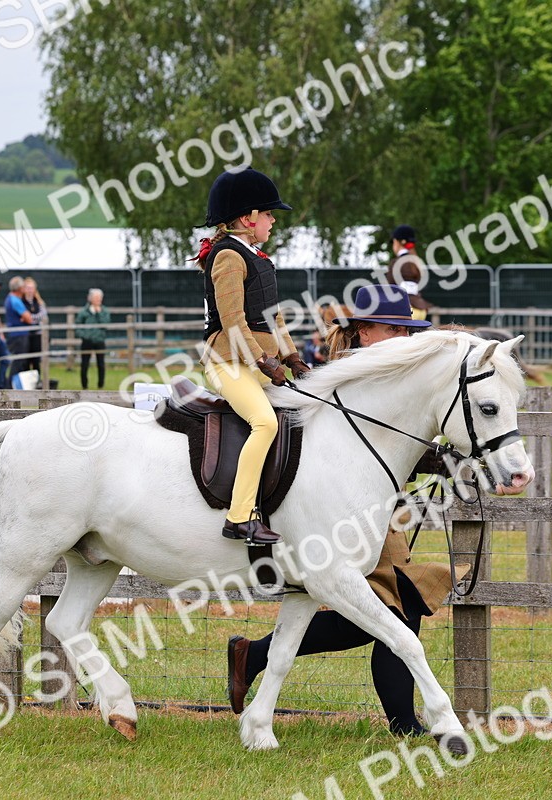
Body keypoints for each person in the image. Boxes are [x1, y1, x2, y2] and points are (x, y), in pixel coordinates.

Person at [227, 284, 457, 737]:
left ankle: (255, 657)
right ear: (366, 333)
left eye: (407, 330)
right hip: (343, 516)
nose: (404, 339)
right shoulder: (348, 379)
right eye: (395, 329)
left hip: (373, 511)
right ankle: (404, 722)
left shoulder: (383, 377)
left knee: (392, 608)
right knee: (392, 609)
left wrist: (440, 458)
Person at [195, 167, 310, 547]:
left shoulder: (256, 255)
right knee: (264, 423)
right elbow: (233, 323)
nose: (274, 220)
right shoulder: (229, 257)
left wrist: (293, 358)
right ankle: (239, 517)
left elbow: (273, 317)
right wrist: (266, 361)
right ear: (249, 219)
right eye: (269, 214)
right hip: (229, 363)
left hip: (257, 363)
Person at [385, 225, 431, 319]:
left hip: (404, 311)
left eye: (393, 242)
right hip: (420, 310)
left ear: (398, 242)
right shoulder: (416, 262)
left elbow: (390, 289)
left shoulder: (396, 262)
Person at [75, 288, 112, 389]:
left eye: (99, 298)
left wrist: (99, 313)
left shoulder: (104, 311)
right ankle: (84, 386)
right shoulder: (84, 311)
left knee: (101, 364)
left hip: (99, 341)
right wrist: (85, 336)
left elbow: (106, 324)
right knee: (84, 364)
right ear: (90, 298)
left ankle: (101, 385)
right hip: (87, 341)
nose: (98, 300)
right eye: (96, 298)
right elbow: (77, 326)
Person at [3, 276, 33, 379]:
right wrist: (25, 318)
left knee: (19, 361)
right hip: (19, 335)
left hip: (16, 334)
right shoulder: (15, 301)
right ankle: (10, 385)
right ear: (19, 288)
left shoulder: (9, 298)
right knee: (19, 361)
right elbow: (29, 318)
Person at [19, 278, 47, 373]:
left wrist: (29, 318)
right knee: (25, 360)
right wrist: (31, 318)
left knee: (36, 360)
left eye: (32, 288)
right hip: (25, 335)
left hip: (36, 334)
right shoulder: (20, 302)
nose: (30, 290)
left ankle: (37, 382)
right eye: (28, 288)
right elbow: (21, 316)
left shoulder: (39, 302)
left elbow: (42, 315)